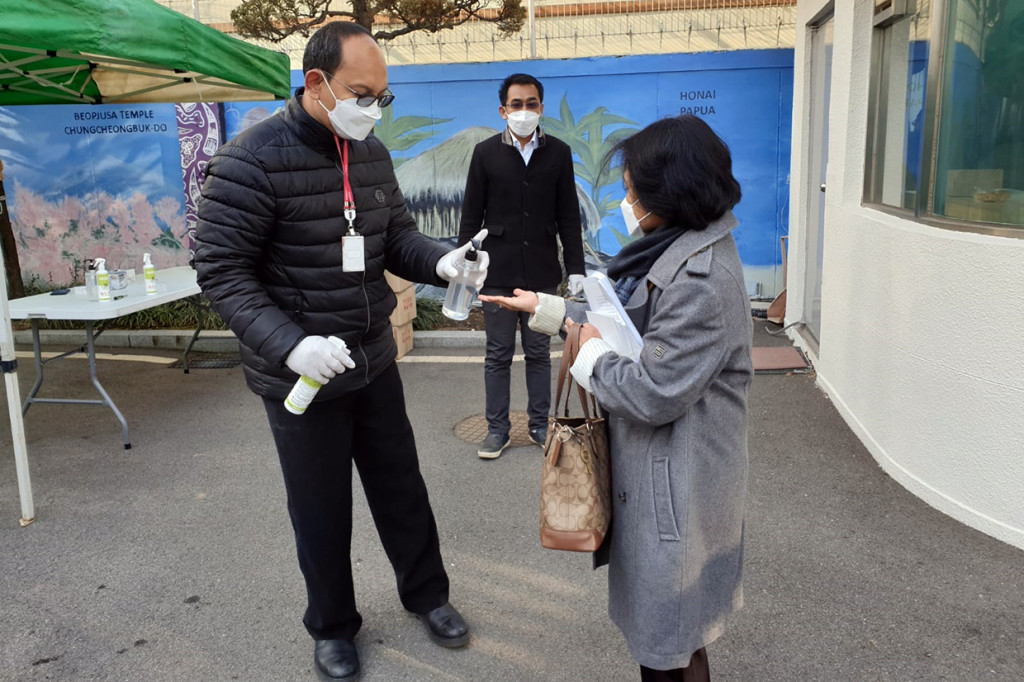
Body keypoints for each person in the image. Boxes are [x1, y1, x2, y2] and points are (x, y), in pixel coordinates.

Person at [194, 22, 487, 682]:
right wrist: (290, 345)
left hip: (373, 360)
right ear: (316, 83)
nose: (372, 109)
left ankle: (428, 597)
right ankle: (331, 627)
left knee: (402, 490)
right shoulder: (251, 161)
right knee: (320, 507)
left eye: (383, 97)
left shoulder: (372, 152)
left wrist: (445, 262)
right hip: (301, 377)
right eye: (361, 93)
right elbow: (221, 270)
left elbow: (397, 240)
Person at [481, 115, 752, 681]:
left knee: (668, 647)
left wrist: (587, 354)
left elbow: (654, 392)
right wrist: (552, 312)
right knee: (678, 638)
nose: (627, 201)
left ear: (670, 192)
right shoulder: (672, 247)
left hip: (677, 489)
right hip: (662, 478)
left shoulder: (700, 280)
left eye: (631, 191)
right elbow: (624, 325)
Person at [458, 73, 585, 460]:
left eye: (531, 104)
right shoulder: (484, 153)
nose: (524, 111)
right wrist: (464, 267)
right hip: (496, 271)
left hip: (543, 273)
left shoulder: (559, 153)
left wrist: (576, 268)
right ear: (503, 111)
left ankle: (537, 424)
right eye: (517, 104)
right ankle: (497, 429)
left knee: (537, 353)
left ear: (541, 108)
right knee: (497, 354)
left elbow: (568, 215)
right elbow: (470, 214)